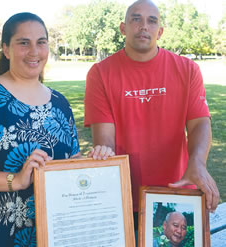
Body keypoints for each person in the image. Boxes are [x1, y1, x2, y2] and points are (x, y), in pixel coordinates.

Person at [0, 12, 112, 246]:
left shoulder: (60, 104)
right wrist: (17, 180)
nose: (34, 51)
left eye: (41, 42)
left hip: (52, 230)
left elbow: (72, 159)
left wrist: (96, 164)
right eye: (24, 43)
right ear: (6, 49)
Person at [84, 0, 220, 233]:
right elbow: (104, 140)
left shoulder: (188, 69)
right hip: (124, 196)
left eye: (152, 20)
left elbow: (199, 123)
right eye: (135, 19)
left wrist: (197, 161)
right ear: (123, 28)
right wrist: (102, 152)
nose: (143, 26)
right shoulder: (100, 73)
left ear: (161, 31)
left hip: (178, 192)